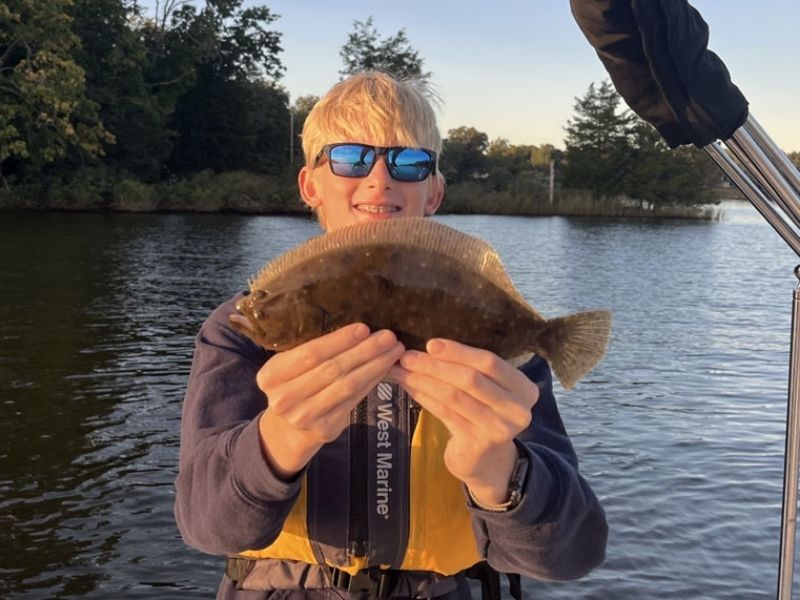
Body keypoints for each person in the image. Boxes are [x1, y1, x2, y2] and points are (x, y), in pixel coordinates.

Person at [174, 70, 607, 600]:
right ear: (310, 185)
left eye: (408, 162)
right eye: (351, 158)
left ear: (434, 193)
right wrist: (281, 438)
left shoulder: (503, 358)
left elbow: (575, 552)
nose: (380, 179)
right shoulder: (236, 335)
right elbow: (205, 525)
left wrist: (501, 473)